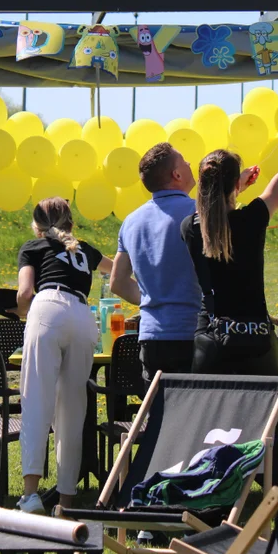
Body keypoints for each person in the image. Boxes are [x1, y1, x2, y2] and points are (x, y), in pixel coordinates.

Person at [180, 74, 278, 489]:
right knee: (269, 440)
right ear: (237, 185)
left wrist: (233, 187)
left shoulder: (189, 226)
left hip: (212, 346)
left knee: (207, 437)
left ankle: (208, 508)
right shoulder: (252, 219)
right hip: (255, 343)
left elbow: (212, 209)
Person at [14, 197, 113, 514]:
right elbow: (118, 269)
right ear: (71, 223)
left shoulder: (33, 247)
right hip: (84, 317)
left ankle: (31, 495)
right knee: (73, 411)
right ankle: (66, 501)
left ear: (38, 226)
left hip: (48, 307)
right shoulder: (85, 249)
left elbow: (25, 294)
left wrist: (18, 312)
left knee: (36, 400)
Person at [110, 142, 202, 383]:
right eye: (184, 161)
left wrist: (155, 301)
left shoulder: (131, 221)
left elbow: (117, 283)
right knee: (200, 414)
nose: (191, 164)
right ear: (177, 174)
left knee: (159, 414)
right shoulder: (200, 212)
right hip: (193, 332)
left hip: (152, 336)